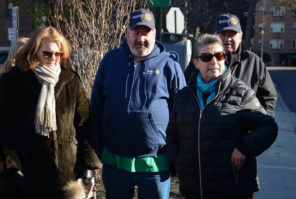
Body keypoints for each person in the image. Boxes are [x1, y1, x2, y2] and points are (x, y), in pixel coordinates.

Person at [166, 34, 278, 199]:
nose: (214, 62)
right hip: (192, 189)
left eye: (219, 56)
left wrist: (244, 147)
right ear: (196, 63)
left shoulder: (240, 93)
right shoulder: (183, 96)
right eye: (206, 57)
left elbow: (269, 126)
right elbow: (173, 132)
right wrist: (176, 164)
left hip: (232, 188)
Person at [90, 8, 186, 199]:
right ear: (127, 33)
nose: (141, 39)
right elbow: (96, 108)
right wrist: (99, 149)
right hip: (115, 161)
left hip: (155, 163)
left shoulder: (169, 65)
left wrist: (177, 157)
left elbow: (182, 113)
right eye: (136, 33)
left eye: (146, 33)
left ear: (154, 34)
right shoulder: (110, 60)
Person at [0, 26, 100, 199]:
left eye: (58, 53)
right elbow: (3, 129)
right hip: (27, 178)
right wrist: (11, 169)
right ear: (34, 52)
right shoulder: (14, 82)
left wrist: (88, 165)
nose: (53, 58)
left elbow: (86, 125)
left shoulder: (71, 81)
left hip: (67, 178)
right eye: (47, 53)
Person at [185, 13, 277, 116]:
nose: (227, 39)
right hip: (207, 128)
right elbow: (186, 92)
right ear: (215, 36)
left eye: (232, 34)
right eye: (223, 34)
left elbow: (268, 99)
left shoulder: (254, 63)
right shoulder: (202, 59)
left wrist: (257, 127)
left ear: (240, 36)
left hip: (243, 129)